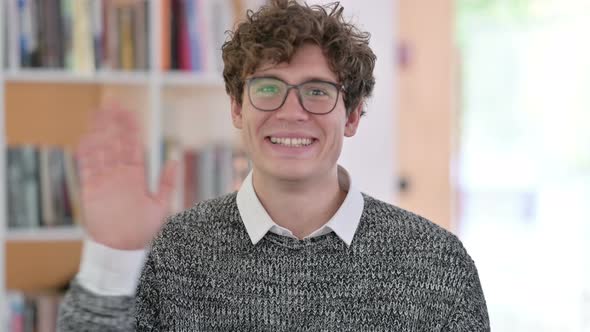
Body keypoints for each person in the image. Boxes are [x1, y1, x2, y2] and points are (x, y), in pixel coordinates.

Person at [57, 0, 490, 331]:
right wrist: (110, 255)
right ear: (237, 109)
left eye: (317, 92)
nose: (291, 112)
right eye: (268, 88)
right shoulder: (171, 253)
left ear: (353, 115)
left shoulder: (437, 262)